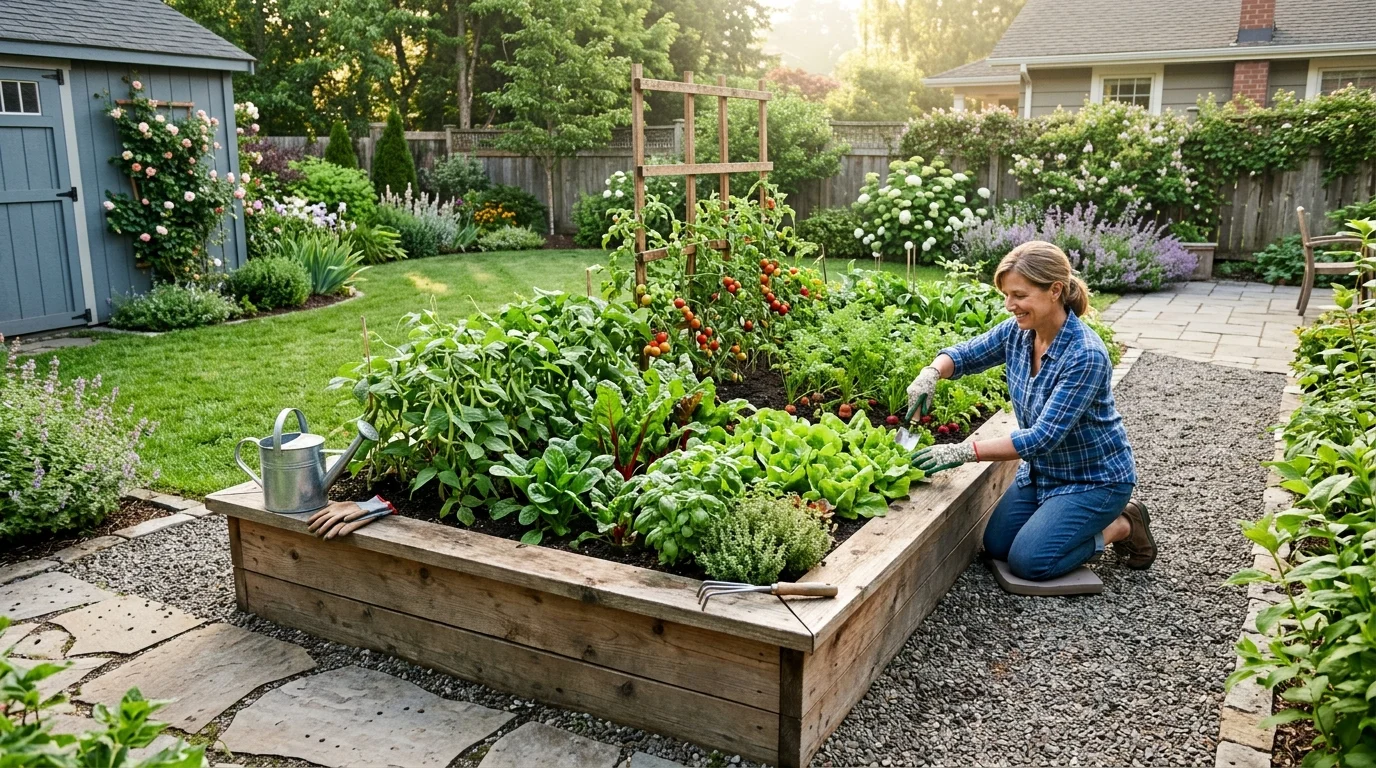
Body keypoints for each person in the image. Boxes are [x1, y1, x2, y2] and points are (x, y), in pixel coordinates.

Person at [905, 241, 1155, 581]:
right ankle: (1062, 516)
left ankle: (1121, 525)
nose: (1010, 306)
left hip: (1093, 480)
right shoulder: (1019, 333)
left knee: (1030, 562)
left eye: (1019, 296)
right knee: (996, 546)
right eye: (1006, 295)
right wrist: (931, 372)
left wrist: (963, 450)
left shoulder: (1084, 356)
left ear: (1054, 290)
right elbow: (966, 355)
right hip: (1041, 474)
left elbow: (1043, 437)